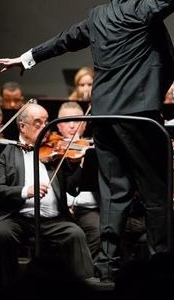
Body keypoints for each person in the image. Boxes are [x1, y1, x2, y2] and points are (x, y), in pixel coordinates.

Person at [0, 0, 174, 282]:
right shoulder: (143, 10)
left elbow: (63, 40)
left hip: (103, 116)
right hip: (140, 118)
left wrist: (27, 58)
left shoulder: (98, 16)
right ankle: (160, 267)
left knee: (114, 192)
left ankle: (108, 265)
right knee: (155, 192)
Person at [0, 103, 93, 287]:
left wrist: (80, 164)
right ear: (22, 126)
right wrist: (25, 191)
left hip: (54, 220)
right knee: (2, 234)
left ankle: (84, 287)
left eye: (46, 122)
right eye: (38, 123)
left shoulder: (55, 152)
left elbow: (71, 188)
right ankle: (6, 286)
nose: (45, 127)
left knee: (75, 234)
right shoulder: (6, 152)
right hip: (17, 218)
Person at [56, 101, 100, 258]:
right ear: (58, 126)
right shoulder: (53, 151)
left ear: (85, 124)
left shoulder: (93, 150)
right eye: (66, 121)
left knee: (97, 229)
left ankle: (86, 271)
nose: (72, 126)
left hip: (87, 209)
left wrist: (84, 163)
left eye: (77, 120)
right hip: (59, 208)